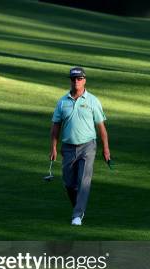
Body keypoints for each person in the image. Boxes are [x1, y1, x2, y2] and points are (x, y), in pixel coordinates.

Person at [49, 67, 110, 226]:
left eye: (79, 79)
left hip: (88, 146)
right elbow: (56, 126)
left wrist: (106, 148)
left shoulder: (92, 101)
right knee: (69, 183)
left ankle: (77, 215)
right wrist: (53, 148)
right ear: (70, 80)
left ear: (84, 80)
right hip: (68, 147)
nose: (76, 81)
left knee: (83, 181)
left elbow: (101, 126)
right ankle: (79, 208)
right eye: (73, 79)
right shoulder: (62, 102)